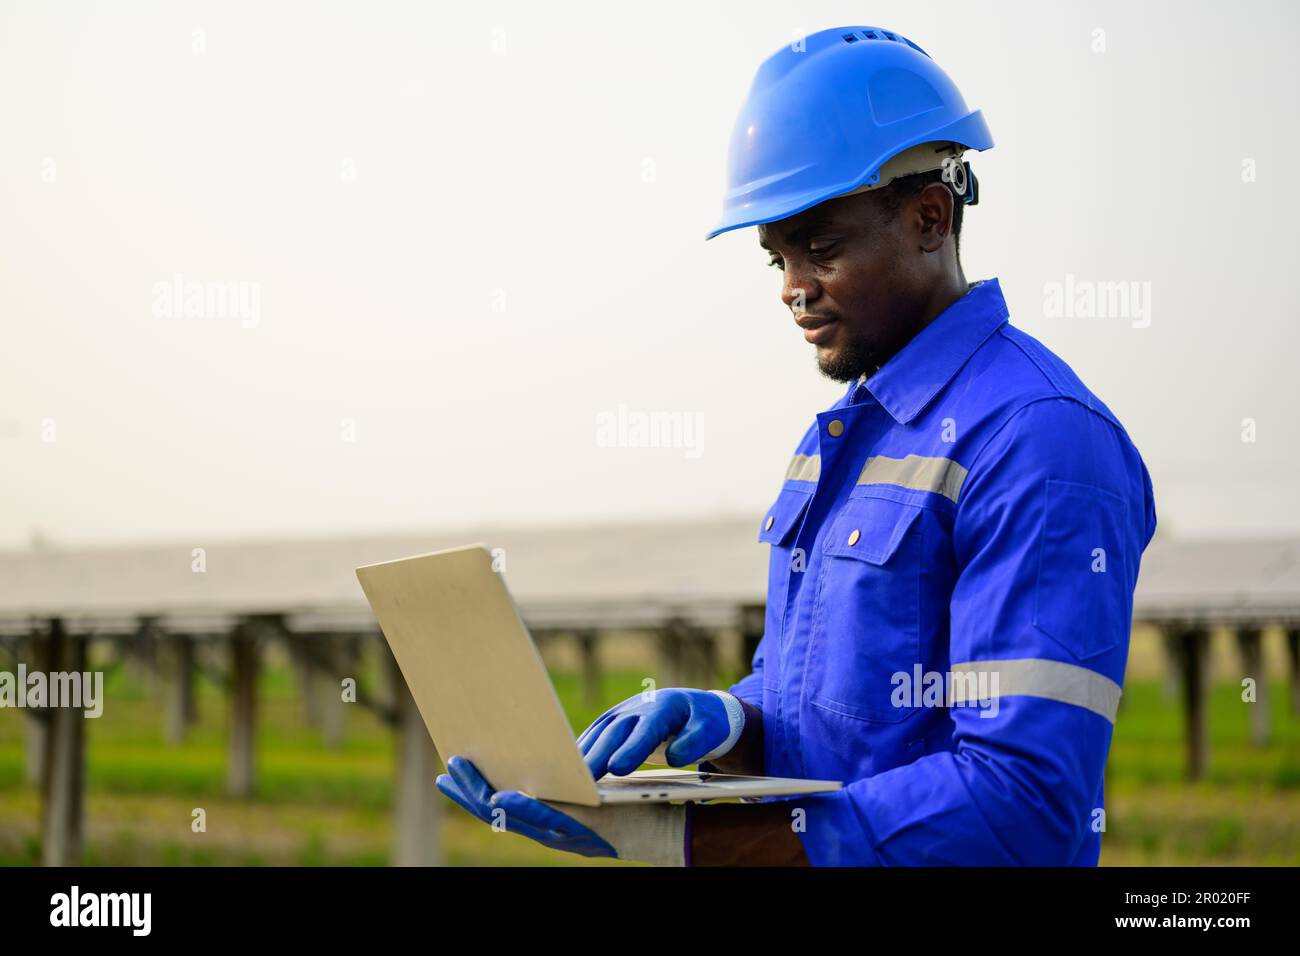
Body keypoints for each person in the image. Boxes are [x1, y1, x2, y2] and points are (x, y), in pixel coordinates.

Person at [438, 24, 1157, 866]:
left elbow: (1023, 801)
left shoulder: (1040, 439)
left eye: (820, 249)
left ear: (930, 217)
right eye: (776, 258)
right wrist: (733, 722)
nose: (793, 290)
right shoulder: (846, 436)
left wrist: (688, 845)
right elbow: (833, 718)